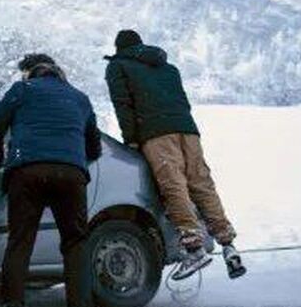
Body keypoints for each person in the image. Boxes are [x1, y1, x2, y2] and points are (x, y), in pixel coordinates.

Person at [105, 30, 245, 280]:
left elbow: (123, 105)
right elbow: (183, 103)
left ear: (119, 49)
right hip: (188, 131)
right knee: (202, 184)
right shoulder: (168, 68)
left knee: (174, 187)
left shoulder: (118, 66)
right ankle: (228, 245)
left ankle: (194, 248)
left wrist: (132, 140)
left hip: (156, 133)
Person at [0, 54, 103, 307]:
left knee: (20, 240)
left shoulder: (22, 90)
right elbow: (94, 146)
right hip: (71, 175)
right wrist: (73, 155)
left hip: (27, 172)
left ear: (32, 74)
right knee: (75, 241)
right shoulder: (79, 97)